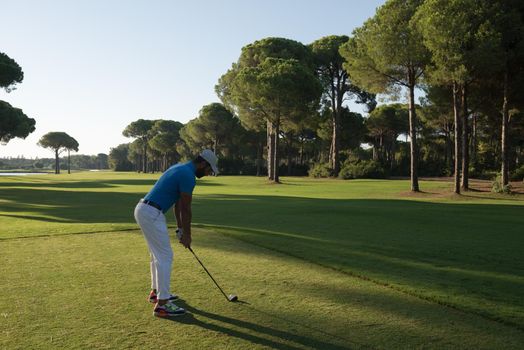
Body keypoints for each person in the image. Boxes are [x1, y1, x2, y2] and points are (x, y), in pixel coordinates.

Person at [134, 149, 219, 317]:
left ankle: (156, 292)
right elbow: (186, 209)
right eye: (209, 170)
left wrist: (180, 229)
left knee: (157, 255)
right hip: (151, 213)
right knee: (165, 256)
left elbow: (178, 204)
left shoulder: (180, 168)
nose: (209, 173)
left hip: (144, 209)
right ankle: (162, 304)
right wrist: (187, 235)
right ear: (202, 163)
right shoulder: (188, 176)